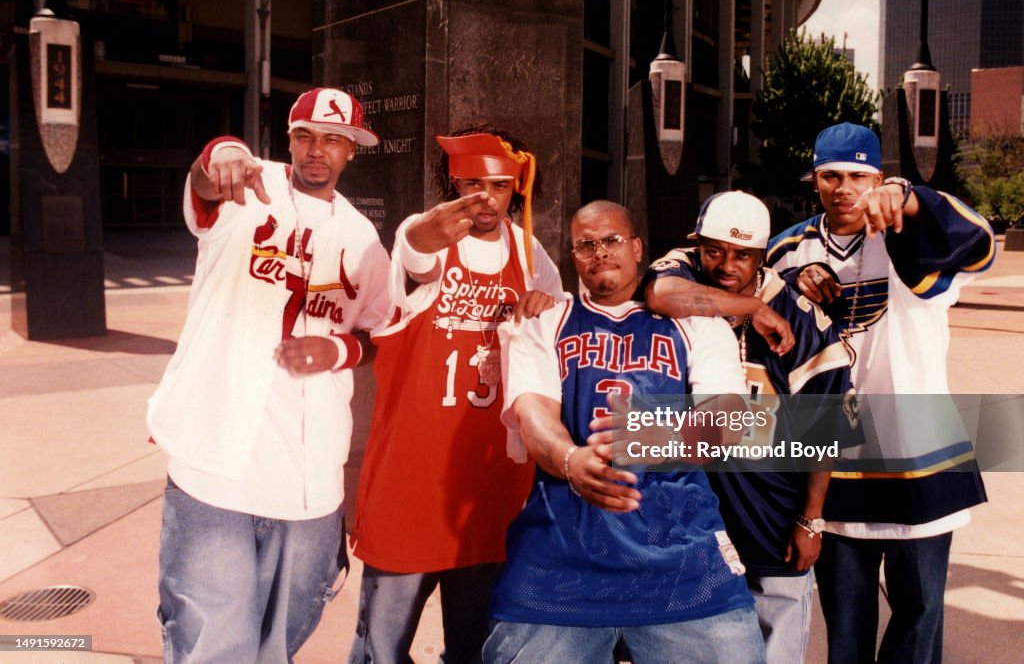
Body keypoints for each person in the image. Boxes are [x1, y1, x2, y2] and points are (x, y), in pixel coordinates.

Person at [147, 87, 391, 663]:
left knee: (279, 645)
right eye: (305, 135)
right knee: (211, 643)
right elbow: (208, 182)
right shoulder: (245, 189)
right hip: (215, 468)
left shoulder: (362, 238)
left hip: (308, 481)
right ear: (288, 139)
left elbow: (377, 335)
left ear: (351, 150)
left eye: (333, 139)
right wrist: (219, 152)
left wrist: (338, 353)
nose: (316, 150)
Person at [483, 200, 766, 664]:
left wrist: (660, 439)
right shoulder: (544, 320)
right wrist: (571, 461)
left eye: (612, 240)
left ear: (637, 248)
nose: (600, 253)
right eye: (586, 245)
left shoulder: (699, 323)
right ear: (573, 257)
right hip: (562, 559)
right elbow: (533, 412)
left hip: (680, 554)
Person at [766, 122, 995, 664]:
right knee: (845, 619)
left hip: (918, 448)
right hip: (832, 456)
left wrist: (911, 199)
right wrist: (791, 286)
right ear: (815, 180)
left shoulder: (910, 231)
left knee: (919, 612)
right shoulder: (788, 248)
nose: (844, 188)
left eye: (859, 176)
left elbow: (977, 238)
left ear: (878, 179)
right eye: (831, 176)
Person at [347, 128, 565, 664]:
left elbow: (560, 338)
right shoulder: (428, 238)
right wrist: (422, 236)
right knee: (382, 648)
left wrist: (542, 305)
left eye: (497, 185)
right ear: (453, 183)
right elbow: (415, 252)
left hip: (488, 488)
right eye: (470, 184)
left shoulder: (529, 251)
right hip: (412, 478)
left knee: (473, 648)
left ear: (517, 188)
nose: (484, 198)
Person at [645, 191, 860, 664]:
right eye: (714, 250)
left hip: (771, 506)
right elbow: (659, 292)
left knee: (777, 645)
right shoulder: (679, 274)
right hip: (690, 512)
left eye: (742, 255)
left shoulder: (804, 319)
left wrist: (811, 518)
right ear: (697, 245)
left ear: (763, 256)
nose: (726, 265)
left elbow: (824, 428)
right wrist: (751, 309)